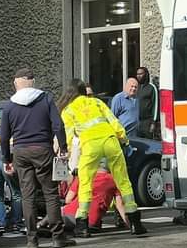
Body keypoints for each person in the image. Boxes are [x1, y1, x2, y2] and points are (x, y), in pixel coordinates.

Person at [60, 79, 146, 237]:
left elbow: (70, 136)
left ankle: (82, 225)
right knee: (123, 182)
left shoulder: (68, 110)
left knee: (85, 184)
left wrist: (70, 155)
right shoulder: (97, 102)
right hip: (110, 141)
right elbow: (114, 121)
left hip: (90, 146)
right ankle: (135, 223)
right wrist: (124, 141)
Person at [0, 67, 74, 248]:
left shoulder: (9, 105)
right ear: (32, 82)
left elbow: (3, 136)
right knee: (50, 193)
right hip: (43, 149)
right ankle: (58, 237)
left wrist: (7, 159)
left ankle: (32, 240)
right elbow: (58, 125)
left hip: (21, 152)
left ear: (16, 83)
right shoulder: (46, 99)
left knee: (28, 195)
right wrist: (63, 147)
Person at [135, 66, 160, 139]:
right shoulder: (136, 87)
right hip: (136, 122)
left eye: (141, 74)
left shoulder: (152, 87)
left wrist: (153, 122)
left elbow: (156, 105)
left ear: (146, 74)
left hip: (147, 122)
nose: (138, 76)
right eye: (137, 74)